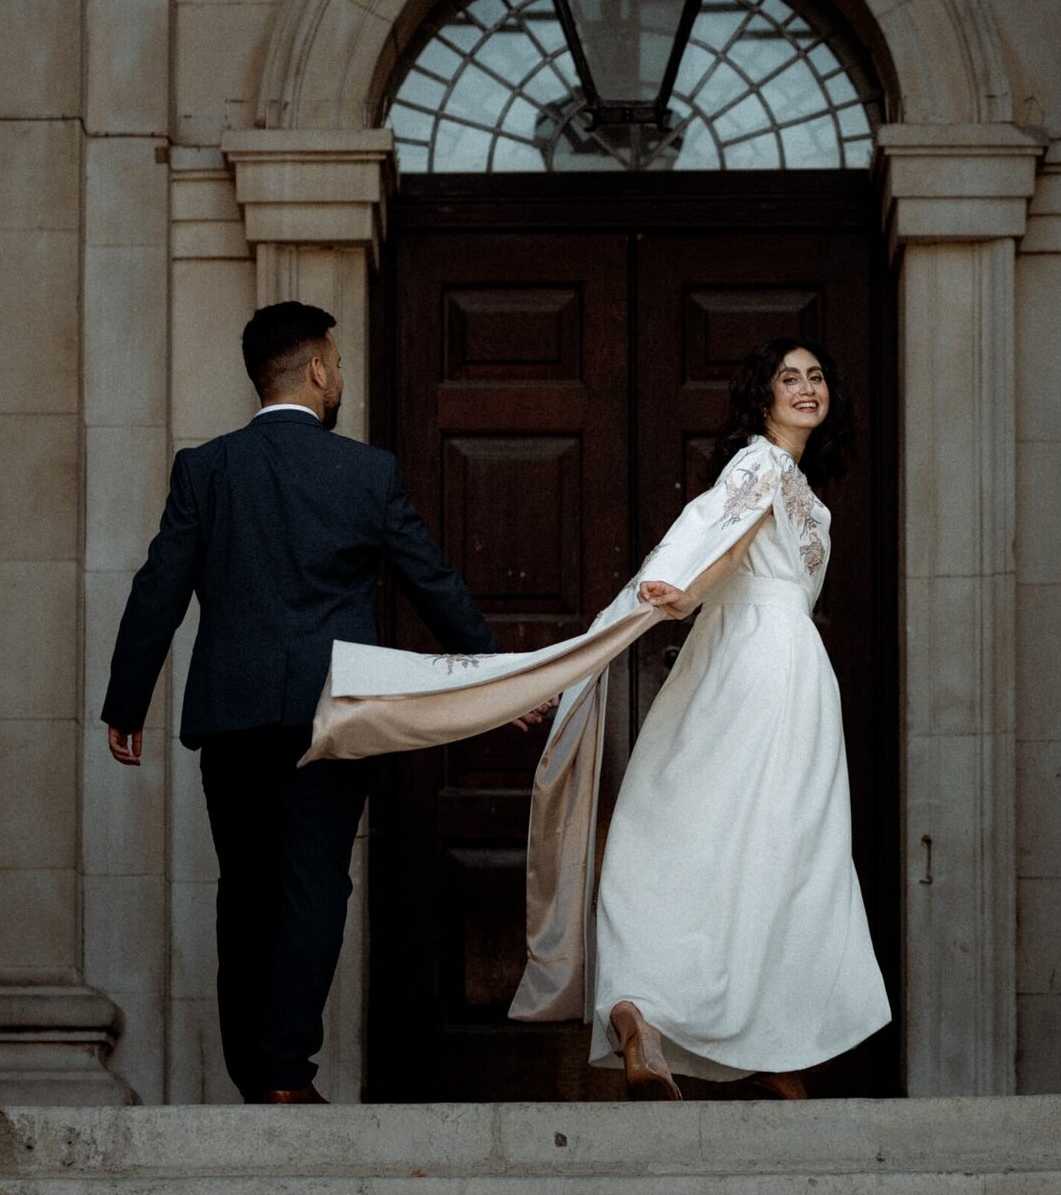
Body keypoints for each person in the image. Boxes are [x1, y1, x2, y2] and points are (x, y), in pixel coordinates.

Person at [306, 337, 890, 1100]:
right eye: (789, 378)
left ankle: (671, 1015)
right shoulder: (763, 464)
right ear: (764, 396)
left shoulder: (802, 486)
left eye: (816, 376)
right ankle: (707, 1029)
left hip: (768, 669)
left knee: (732, 841)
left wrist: (694, 592)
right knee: (763, 847)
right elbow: (730, 537)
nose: (806, 387)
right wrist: (686, 592)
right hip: (764, 663)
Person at [101, 300, 495, 1105]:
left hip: (234, 714)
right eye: (339, 364)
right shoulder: (366, 472)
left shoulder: (205, 469)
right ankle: (287, 1073)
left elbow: (157, 591)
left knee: (244, 890)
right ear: (318, 369)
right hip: (332, 714)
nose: (340, 376)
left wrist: (126, 702)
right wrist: (493, 674)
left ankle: (257, 1078)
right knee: (315, 883)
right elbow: (434, 584)